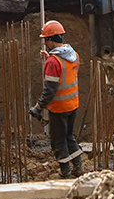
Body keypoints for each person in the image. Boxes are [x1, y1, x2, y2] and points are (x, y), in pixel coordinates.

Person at [29, 20, 83, 179]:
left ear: (50, 39)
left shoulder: (53, 62)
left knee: (58, 141)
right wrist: (49, 59)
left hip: (59, 108)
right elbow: (66, 74)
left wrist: (38, 107)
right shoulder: (73, 55)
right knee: (69, 136)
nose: (45, 43)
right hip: (73, 104)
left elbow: (50, 90)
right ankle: (78, 166)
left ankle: (65, 172)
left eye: (45, 39)